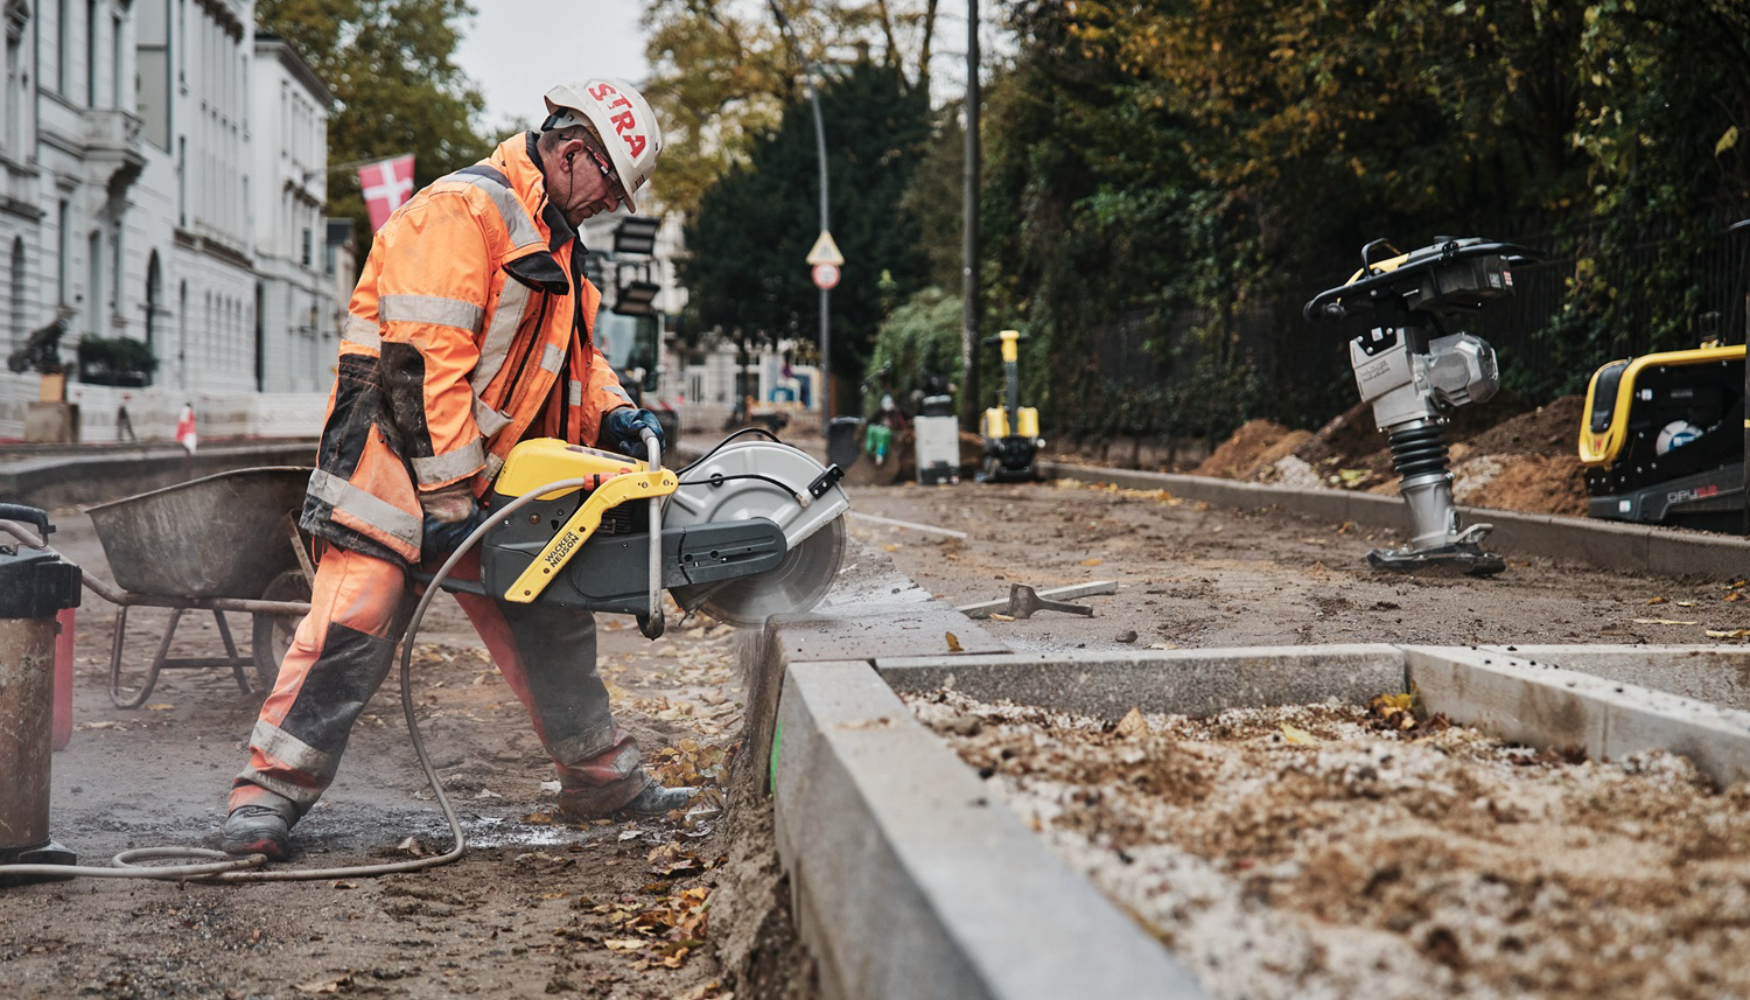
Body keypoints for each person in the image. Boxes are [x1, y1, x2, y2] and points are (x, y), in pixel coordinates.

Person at [222, 79, 679, 861]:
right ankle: (265, 796)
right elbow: (418, 367)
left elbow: (573, 361)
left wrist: (615, 410)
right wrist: (446, 497)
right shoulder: (461, 212)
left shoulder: (555, 239)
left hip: (474, 472)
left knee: (548, 611)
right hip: (390, 462)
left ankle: (600, 778)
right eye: (610, 185)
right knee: (354, 620)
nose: (611, 205)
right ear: (573, 153)